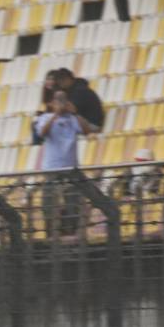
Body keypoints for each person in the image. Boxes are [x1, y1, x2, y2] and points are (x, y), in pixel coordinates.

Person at [35, 90, 100, 235]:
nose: (61, 104)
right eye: (58, 100)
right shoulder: (45, 117)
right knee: (49, 205)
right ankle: (51, 234)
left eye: (64, 100)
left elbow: (87, 131)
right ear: (52, 103)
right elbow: (42, 133)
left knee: (73, 205)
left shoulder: (73, 119)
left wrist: (76, 113)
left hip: (71, 170)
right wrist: (55, 115)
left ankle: (72, 234)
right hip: (52, 170)